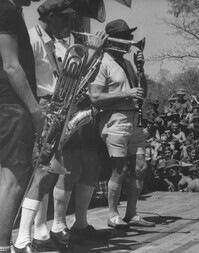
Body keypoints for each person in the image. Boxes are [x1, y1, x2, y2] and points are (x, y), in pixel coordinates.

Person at [14, 1, 109, 251]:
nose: (68, 24)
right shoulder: (32, 38)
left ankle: (36, 235)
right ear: (52, 17)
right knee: (43, 171)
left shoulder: (55, 42)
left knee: (49, 173)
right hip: (44, 107)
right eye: (64, 19)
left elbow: (71, 76)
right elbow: (22, 75)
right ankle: (23, 239)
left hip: (59, 109)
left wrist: (92, 56)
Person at [89, 19, 155, 228]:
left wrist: (141, 69)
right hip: (114, 119)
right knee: (120, 169)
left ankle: (132, 213)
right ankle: (112, 214)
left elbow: (142, 92)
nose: (130, 42)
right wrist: (126, 93)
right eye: (126, 38)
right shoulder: (102, 63)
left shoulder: (127, 63)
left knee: (140, 166)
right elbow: (95, 97)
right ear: (115, 40)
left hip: (134, 118)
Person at [0, 1, 44, 252]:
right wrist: (34, 109)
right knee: (11, 181)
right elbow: (11, 65)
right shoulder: (6, 10)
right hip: (11, 106)